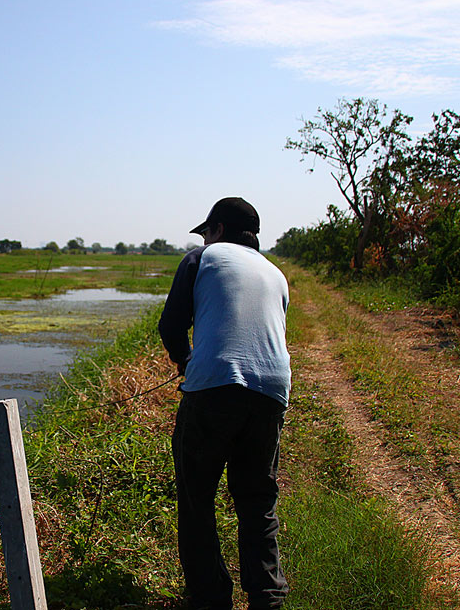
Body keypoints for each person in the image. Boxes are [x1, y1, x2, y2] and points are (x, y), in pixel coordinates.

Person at [158, 197, 291, 610]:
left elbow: (171, 324)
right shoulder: (276, 274)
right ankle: (267, 597)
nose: (203, 237)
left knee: (197, 499)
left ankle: (211, 599)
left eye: (206, 230)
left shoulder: (202, 258)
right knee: (256, 499)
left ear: (217, 230)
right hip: (271, 391)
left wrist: (185, 363)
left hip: (214, 389)